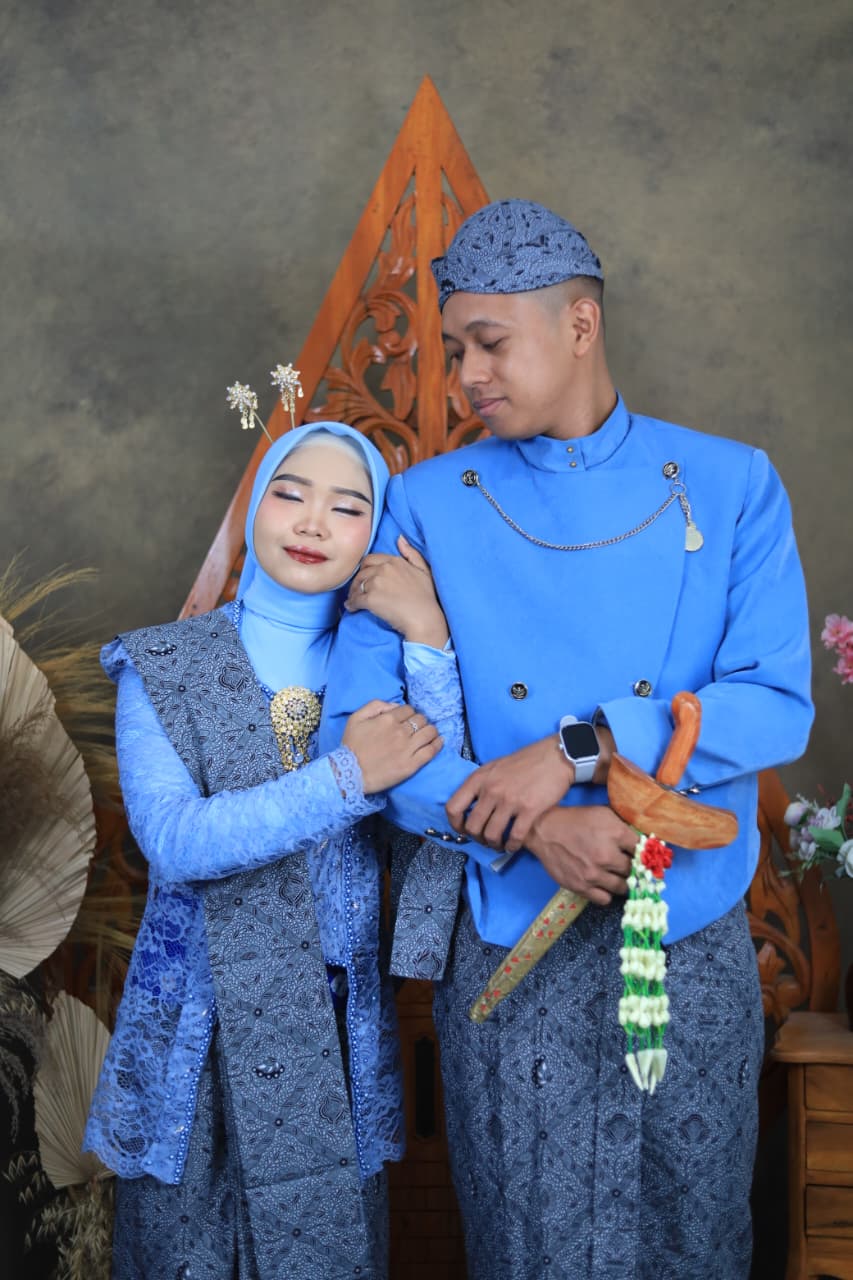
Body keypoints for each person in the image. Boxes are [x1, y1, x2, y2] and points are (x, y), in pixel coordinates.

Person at [320, 200, 814, 1280]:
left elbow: (774, 703)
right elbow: (359, 735)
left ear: (580, 325)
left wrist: (578, 748)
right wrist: (535, 827)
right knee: (530, 1253)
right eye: (454, 350)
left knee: (693, 1246)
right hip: (512, 944)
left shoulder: (731, 485)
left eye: (489, 344)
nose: (466, 377)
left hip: (690, 942)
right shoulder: (422, 503)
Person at [83, 420, 458, 1280]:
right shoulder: (164, 664)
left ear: (375, 535)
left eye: (348, 507)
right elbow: (175, 840)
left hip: (333, 1036)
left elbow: (447, 812)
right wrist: (346, 775)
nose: (312, 522)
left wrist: (427, 629)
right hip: (195, 1037)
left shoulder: (382, 673)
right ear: (255, 506)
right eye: (290, 494)